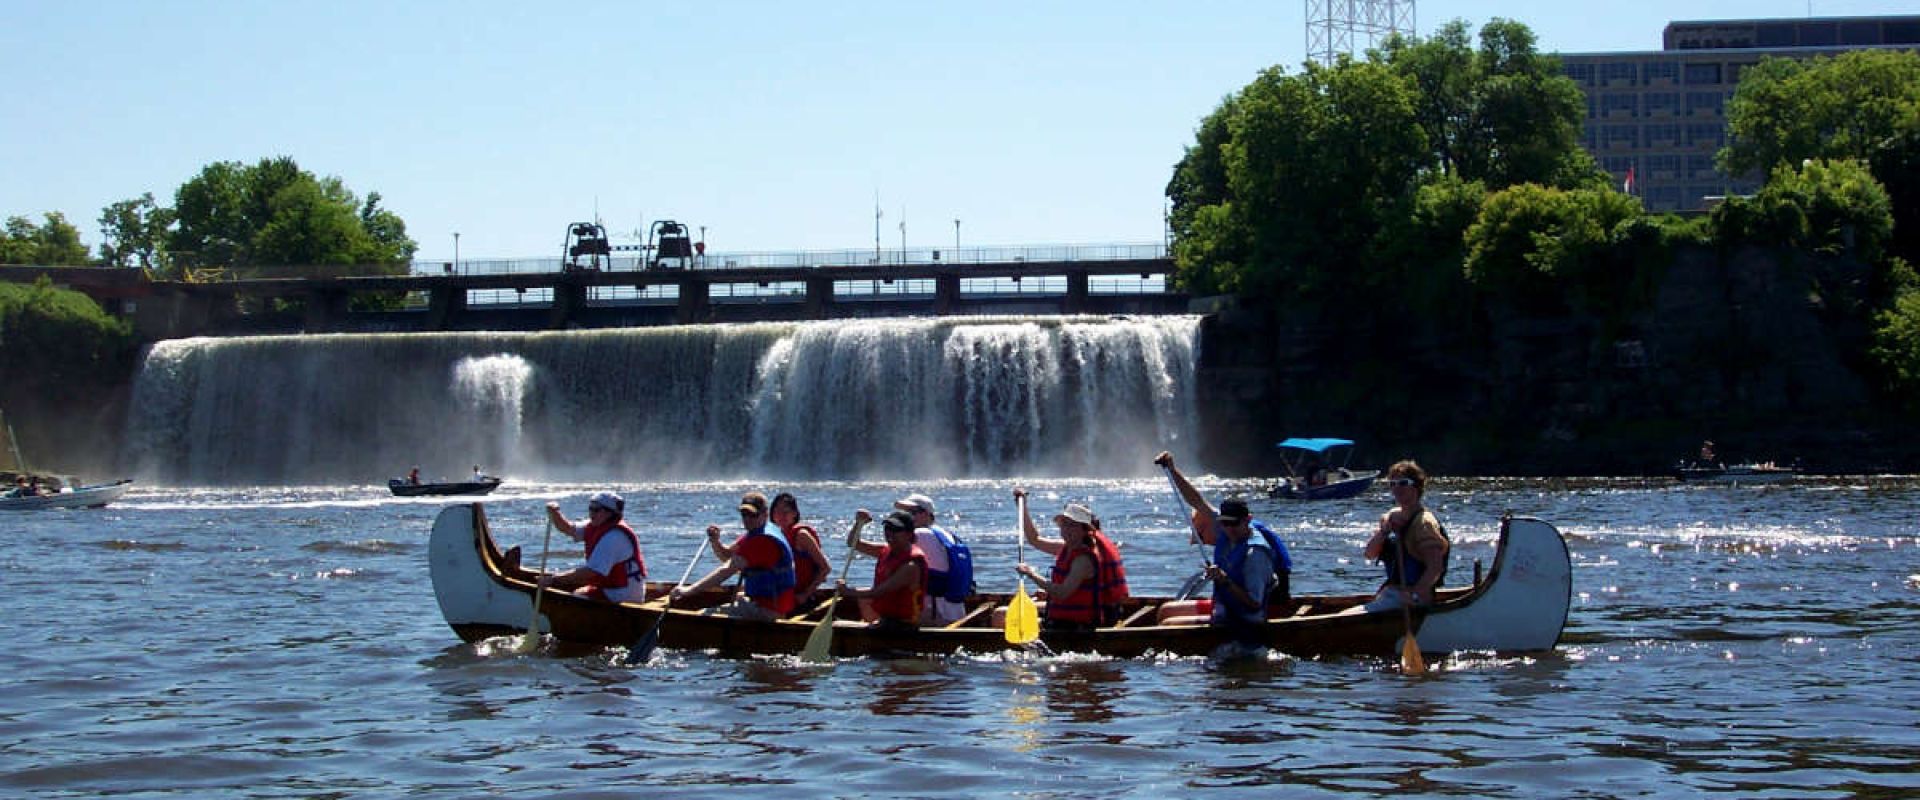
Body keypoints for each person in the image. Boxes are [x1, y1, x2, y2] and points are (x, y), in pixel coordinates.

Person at [1154, 452, 1293, 631]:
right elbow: (1196, 501)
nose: (1229, 529)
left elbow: (1254, 603)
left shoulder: (1255, 553)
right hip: (1227, 605)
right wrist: (1172, 470)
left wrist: (1224, 580)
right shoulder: (1226, 529)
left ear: (1248, 520)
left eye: (1233, 524)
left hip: (1248, 615)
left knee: (1168, 625)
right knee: (1165, 611)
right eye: (1224, 523)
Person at [1007, 489, 1131, 630]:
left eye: (1072, 525)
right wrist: (1022, 506)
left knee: (1001, 615)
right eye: (1064, 523)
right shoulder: (1067, 548)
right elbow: (1034, 539)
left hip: (1078, 625)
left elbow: (1061, 593)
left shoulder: (1083, 560)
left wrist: (1031, 574)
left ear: (1085, 530)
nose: (1066, 529)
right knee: (1010, 611)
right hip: (1066, 616)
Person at [674, 491, 797, 621]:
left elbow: (727, 569)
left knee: (702, 617)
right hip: (763, 603)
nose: (747, 519)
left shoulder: (762, 540)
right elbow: (727, 556)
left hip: (768, 610)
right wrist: (715, 542)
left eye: (752, 515)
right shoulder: (757, 532)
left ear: (765, 514)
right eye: (744, 514)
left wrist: (689, 590)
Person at [1363, 460, 1450, 612]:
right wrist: (1384, 532)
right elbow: (1369, 554)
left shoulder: (1424, 523)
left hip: (1412, 600)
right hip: (1390, 594)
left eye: (1403, 483)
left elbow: (1436, 567)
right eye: (1392, 483)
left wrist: (1415, 594)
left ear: (1416, 487)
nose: (1397, 488)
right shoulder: (1392, 518)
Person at [540, 492, 648, 604]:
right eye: (590, 508)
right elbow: (567, 528)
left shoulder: (614, 537)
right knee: (578, 591)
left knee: (577, 596)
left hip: (623, 593)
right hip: (611, 587)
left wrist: (553, 580)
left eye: (596, 510)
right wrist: (555, 513)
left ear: (610, 513)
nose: (591, 513)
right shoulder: (594, 525)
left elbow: (590, 572)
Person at [837, 509, 927, 632]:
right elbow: (853, 543)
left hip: (904, 626)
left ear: (909, 534)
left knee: (842, 625)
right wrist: (859, 524)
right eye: (887, 528)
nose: (889, 533)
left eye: (896, 530)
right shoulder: (885, 550)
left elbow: (879, 592)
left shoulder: (911, 566)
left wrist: (847, 591)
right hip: (887, 620)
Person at [894, 493, 975, 626]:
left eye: (911, 512)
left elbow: (883, 552)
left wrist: (857, 537)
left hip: (936, 615)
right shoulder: (947, 534)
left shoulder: (922, 535)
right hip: (955, 612)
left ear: (926, 514)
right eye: (904, 513)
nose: (905, 517)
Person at [770, 492, 832, 606]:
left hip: (801, 598)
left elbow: (825, 568)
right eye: (777, 511)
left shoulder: (801, 535)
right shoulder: (775, 536)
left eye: (786, 511)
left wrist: (805, 594)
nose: (781, 515)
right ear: (772, 515)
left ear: (794, 514)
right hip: (781, 594)